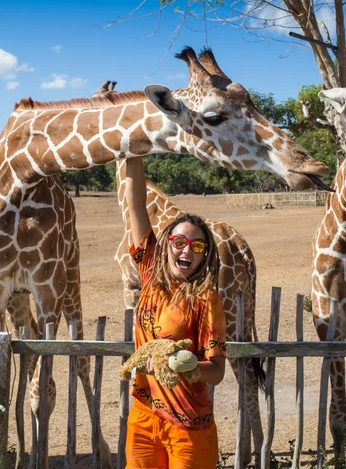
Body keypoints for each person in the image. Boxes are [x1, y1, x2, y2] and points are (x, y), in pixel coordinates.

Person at [124, 156, 227, 469]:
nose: (186, 250)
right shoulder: (149, 274)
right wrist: (134, 149)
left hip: (189, 426)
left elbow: (218, 371)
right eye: (180, 241)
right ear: (167, 243)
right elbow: (136, 205)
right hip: (143, 417)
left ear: (204, 256)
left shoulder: (206, 299)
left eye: (197, 247)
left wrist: (181, 365)